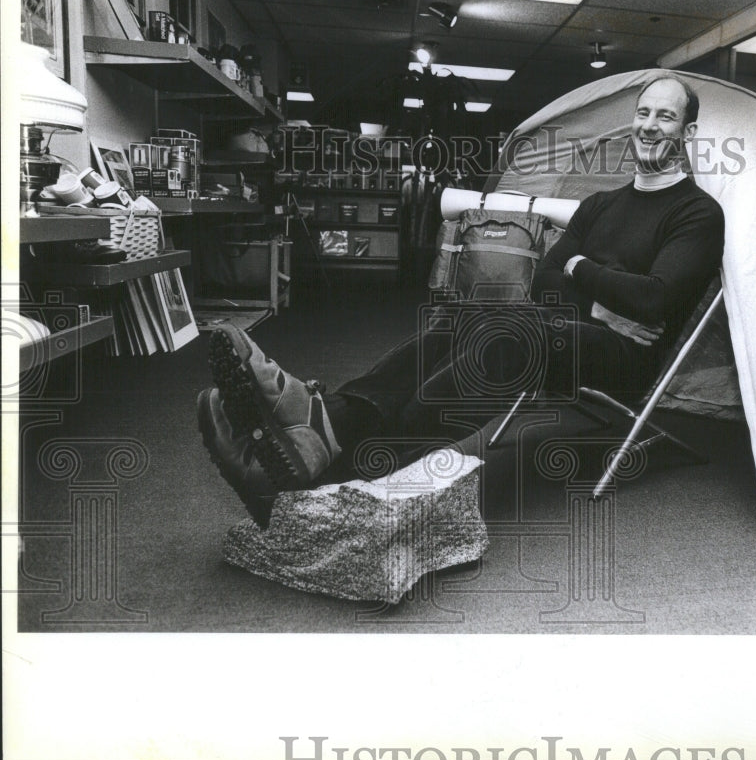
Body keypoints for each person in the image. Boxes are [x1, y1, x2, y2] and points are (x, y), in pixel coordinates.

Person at [197, 76, 725, 529]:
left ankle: (344, 473)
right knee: (467, 315)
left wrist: (581, 268)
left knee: (515, 333)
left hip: (624, 361)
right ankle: (324, 421)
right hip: (572, 330)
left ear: (689, 132)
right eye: (643, 113)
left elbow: (653, 301)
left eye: (666, 116)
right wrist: (603, 285)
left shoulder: (697, 213)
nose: (650, 125)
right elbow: (544, 282)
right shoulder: (601, 204)